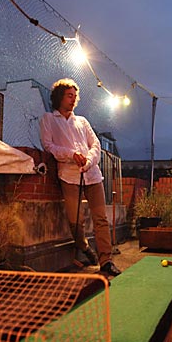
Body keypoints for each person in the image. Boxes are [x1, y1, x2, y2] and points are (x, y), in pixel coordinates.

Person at [40, 78, 121, 277]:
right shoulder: (48, 119)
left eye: (75, 96)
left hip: (92, 175)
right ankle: (84, 246)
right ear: (59, 96)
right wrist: (70, 155)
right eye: (69, 95)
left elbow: (96, 145)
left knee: (100, 218)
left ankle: (106, 261)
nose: (73, 99)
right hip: (68, 176)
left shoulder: (82, 121)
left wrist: (90, 161)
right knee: (75, 220)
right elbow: (48, 146)